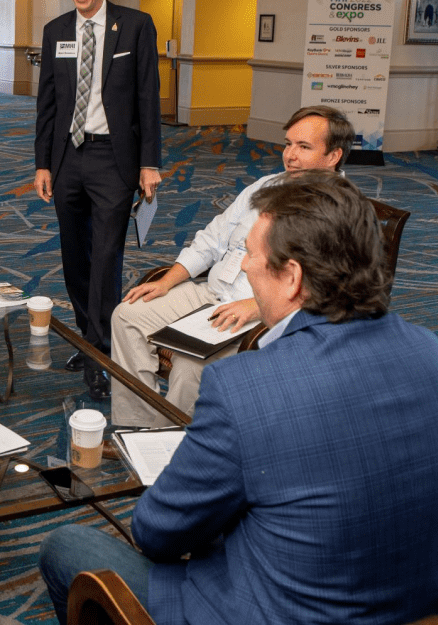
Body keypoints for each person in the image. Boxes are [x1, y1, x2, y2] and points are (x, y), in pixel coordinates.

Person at [40, 171, 438, 625]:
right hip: (411, 604)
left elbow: (156, 533)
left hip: (270, 610)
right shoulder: (431, 351)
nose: (244, 266)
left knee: (67, 546)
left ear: (292, 278)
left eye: (251, 255)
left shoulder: (244, 387)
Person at [110, 104, 353, 425]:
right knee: (127, 314)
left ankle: (167, 444)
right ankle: (137, 424)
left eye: (304, 147)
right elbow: (212, 239)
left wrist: (256, 306)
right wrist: (168, 281)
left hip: (264, 313)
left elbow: (330, 283)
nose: (290, 155)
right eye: (288, 144)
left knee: (189, 367)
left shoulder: (341, 208)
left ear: (333, 156)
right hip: (214, 292)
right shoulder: (268, 184)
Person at [34, 0, 161, 400]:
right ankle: (90, 333)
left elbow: (148, 98)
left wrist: (149, 163)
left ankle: (99, 354)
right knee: (75, 256)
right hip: (68, 158)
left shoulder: (135, 27)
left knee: (107, 256)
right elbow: (47, 104)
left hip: (113, 160)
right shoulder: (55, 31)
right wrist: (43, 163)